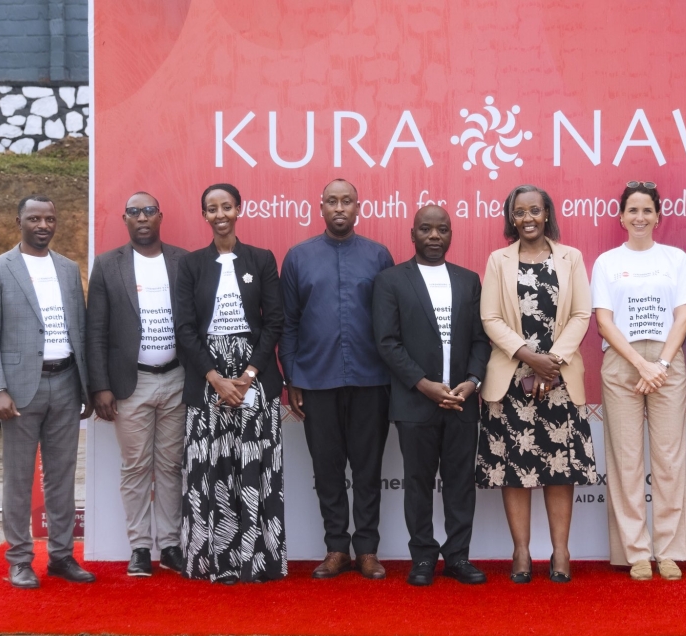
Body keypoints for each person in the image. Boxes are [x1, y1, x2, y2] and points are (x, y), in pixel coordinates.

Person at [475, 184, 596, 584]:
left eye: (535, 211)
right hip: (511, 378)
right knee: (515, 468)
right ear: (511, 218)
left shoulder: (571, 258)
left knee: (559, 468)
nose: (528, 218)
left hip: (560, 378)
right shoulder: (498, 260)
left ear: (547, 214)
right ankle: (522, 551)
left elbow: (581, 314)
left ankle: (561, 551)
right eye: (520, 212)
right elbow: (490, 318)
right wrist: (529, 357)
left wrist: (553, 362)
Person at [0, 196, 95, 589]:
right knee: (18, 478)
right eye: (34, 218)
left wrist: (86, 385)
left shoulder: (67, 268)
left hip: (65, 384)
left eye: (50, 218)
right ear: (19, 221)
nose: (43, 225)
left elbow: (78, 329)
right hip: (19, 390)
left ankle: (62, 556)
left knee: (62, 477)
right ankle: (20, 559)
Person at [279, 179, 394, 580]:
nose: (340, 207)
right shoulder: (298, 257)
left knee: (367, 468)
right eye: (332, 201)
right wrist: (291, 376)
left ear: (359, 208)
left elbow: (390, 320)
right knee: (327, 470)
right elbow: (288, 322)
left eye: (347, 201)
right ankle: (336, 548)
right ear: (321, 207)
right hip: (315, 378)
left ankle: (367, 550)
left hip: (371, 378)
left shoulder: (379, 256)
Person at [372, 205, 490, 586]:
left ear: (451, 234)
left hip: (461, 401)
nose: (434, 236)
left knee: (459, 483)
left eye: (442, 229)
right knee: (418, 482)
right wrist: (424, 384)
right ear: (413, 234)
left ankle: (457, 557)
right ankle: (422, 558)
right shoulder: (390, 281)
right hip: (414, 402)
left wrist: (471, 382)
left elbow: (479, 341)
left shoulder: (469, 280)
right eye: (426, 229)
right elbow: (387, 343)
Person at [175, 183, 286, 584]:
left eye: (226, 206)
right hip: (207, 376)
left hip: (254, 374)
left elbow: (274, 321)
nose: (220, 214)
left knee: (255, 467)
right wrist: (215, 378)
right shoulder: (190, 265)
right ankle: (210, 561)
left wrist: (249, 375)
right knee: (209, 469)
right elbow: (185, 329)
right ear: (203, 215)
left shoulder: (262, 258)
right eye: (211, 208)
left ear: (239, 209)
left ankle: (257, 562)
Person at [592, 181, 686, 581]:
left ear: (658, 216)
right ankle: (635, 551)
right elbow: (603, 322)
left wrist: (662, 363)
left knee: (670, 460)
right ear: (620, 217)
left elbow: (684, 317)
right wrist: (641, 364)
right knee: (625, 460)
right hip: (624, 364)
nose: (639, 217)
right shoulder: (606, 262)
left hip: (667, 364)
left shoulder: (675, 259)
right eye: (632, 210)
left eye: (647, 210)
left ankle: (670, 549)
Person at [87, 192, 188, 577]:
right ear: (125, 219)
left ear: (160, 216)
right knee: (135, 467)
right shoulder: (107, 265)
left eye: (148, 211)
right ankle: (140, 548)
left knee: (171, 467)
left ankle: (171, 545)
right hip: (130, 385)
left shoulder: (183, 261)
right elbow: (95, 330)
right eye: (134, 212)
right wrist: (100, 386)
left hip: (177, 380)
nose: (142, 217)